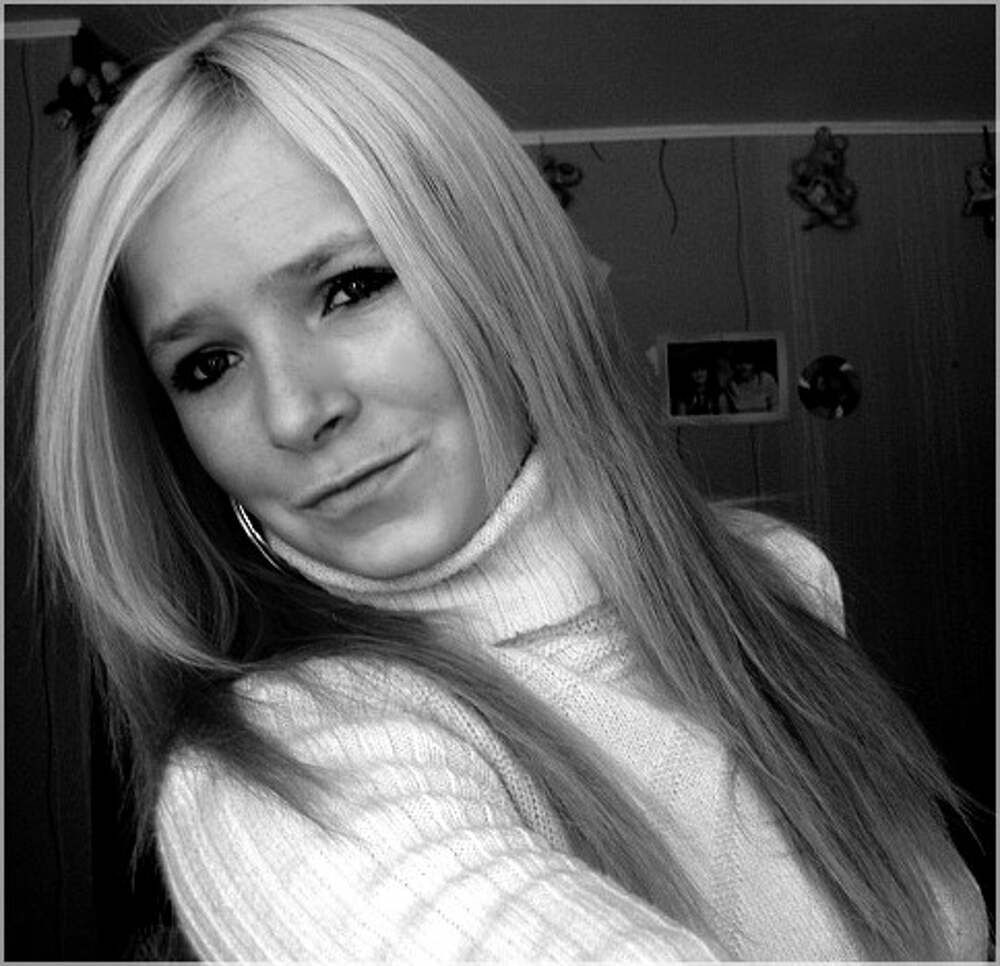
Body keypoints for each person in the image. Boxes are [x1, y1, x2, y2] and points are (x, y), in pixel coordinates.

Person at [30, 6, 989, 961]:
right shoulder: (283, 772)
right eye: (207, 365)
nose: (292, 413)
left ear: (497, 272)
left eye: (351, 288)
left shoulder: (779, 579)